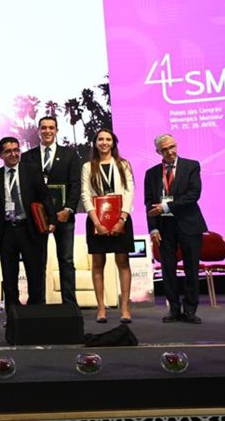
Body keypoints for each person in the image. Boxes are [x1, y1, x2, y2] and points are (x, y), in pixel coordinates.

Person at [144, 133, 207, 324]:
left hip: (189, 224)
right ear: (158, 152)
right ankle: (173, 309)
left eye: (172, 147)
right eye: (165, 149)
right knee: (168, 270)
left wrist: (166, 207)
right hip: (164, 228)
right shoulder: (151, 173)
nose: (170, 152)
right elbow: (149, 203)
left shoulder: (191, 166)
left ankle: (190, 310)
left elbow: (193, 195)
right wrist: (153, 229)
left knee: (191, 268)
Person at [21, 116, 81, 306]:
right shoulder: (28, 156)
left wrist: (68, 209)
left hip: (64, 217)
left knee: (66, 261)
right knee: (37, 261)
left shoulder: (69, 154)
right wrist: (34, 214)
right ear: (38, 130)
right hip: (38, 219)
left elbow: (75, 185)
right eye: (44, 128)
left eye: (51, 128)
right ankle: (38, 305)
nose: (47, 131)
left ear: (56, 130)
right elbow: (26, 189)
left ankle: (69, 305)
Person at [0, 137, 55, 308]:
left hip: (29, 229)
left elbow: (45, 196)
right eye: (8, 151)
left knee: (35, 273)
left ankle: (35, 311)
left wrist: (52, 220)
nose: (13, 154)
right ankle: (13, 313)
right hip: (7, 231)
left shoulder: (31, 171)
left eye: (16, 150)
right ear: (1, 155)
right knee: (9, 275)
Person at [81, 129, 135, 324]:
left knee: (123, 262)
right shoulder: (88, 167)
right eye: (101, 139)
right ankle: (101, 308)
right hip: (97, 219)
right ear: (95, 143)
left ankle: (125, 307)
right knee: (97, 264)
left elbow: (129, 191)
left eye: (108, 139)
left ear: (113, 143)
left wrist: (122, 219)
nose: (104, 142)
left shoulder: (123, 164)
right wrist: (97, 222)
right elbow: (86, 194)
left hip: (121, 219)